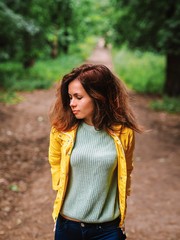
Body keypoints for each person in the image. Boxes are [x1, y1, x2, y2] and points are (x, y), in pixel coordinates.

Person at [48, 64, 142, 240]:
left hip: (107, 231)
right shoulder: (61, 131)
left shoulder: (124, 133)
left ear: (99, 97)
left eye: (78, 97)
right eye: (70, 97)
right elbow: (55, 162)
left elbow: (126, 171)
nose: (72, 103)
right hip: (68, 227)